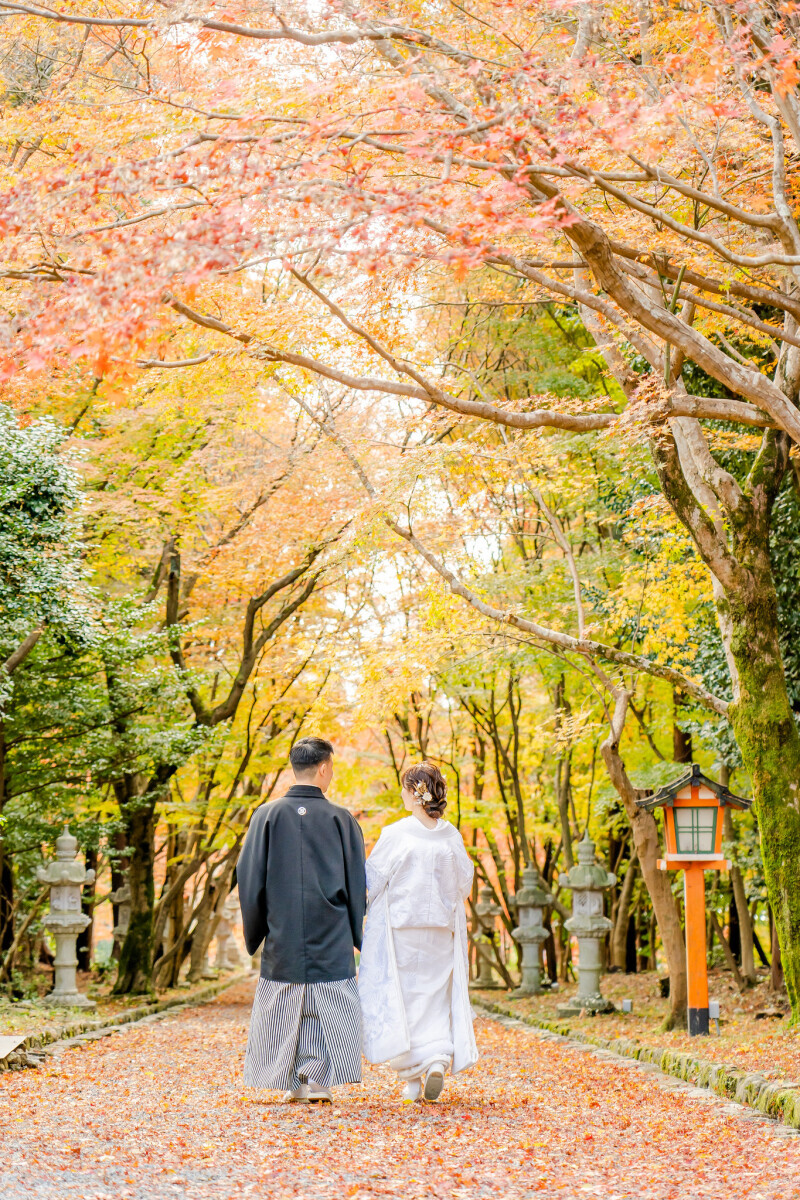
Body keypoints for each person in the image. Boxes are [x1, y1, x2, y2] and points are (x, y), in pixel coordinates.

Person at [236, 736, 366, 1104]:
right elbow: (357, 881)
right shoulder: (342, 819)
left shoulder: (265, 815)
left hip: (283, 926)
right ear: (324, 768)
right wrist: (357, 930)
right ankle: (321, 1081)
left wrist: (259, 927)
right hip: (332, 928)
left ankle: (292, 1081)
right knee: (329, 1000)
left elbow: (247, 875)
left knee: (284, 1002)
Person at [358, 761, 478, 1103]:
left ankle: (412, 1078)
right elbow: (464, 883)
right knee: (434, 999)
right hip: (440, 931)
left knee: (404, 1002)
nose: (401, 794)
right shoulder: (450, 835)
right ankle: (437, 1059)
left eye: (404, 788)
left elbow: (373, 880)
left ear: (414, 793)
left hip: (402, 931)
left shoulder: (396, 834)